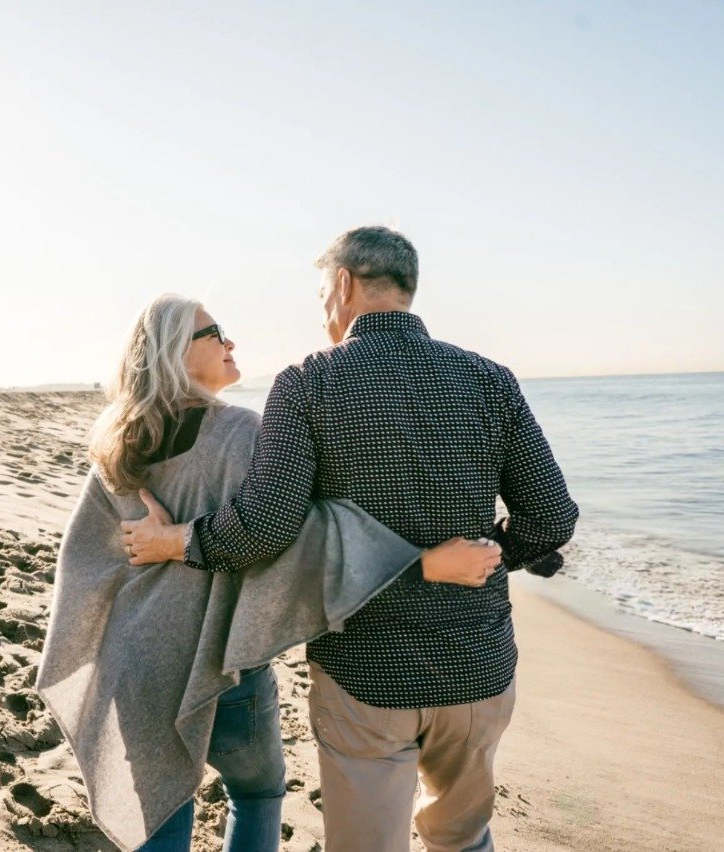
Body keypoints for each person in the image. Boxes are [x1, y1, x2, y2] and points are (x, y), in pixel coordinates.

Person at [123, 227, 580, 852]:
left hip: (365, 671)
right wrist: (497, 552)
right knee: (464, 840)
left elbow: (264, 527)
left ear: (343, 285)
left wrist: (178, 540)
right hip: (479, 664)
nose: (322, 315)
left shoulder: (309, 382)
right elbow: (552, 518)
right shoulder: (489, 379)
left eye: (320, 296)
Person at [36, 294, 503, 852]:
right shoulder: (240, 433)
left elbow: (86, 556)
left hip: (136, 665)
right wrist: (422, 561)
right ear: (174, 353)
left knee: (159, 811)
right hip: (224, 666)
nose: (230, 342)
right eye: (215, 333)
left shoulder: (116, 442)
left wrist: (147, 564)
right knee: (257, 794)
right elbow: (296, 538)